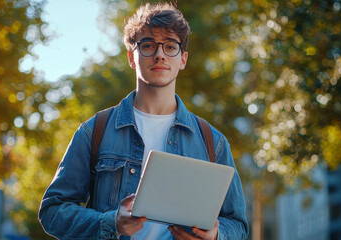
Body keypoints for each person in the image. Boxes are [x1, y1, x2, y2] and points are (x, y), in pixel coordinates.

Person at [39, 3, 248, 240]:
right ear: (131, 57)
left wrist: (216, 235)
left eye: (170, 46)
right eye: (148, 45)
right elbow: (52, 212)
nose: (159, 54)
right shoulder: (94, 131)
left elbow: (238, 225)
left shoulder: (213, 142)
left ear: (183, 59)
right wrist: (111, 222)